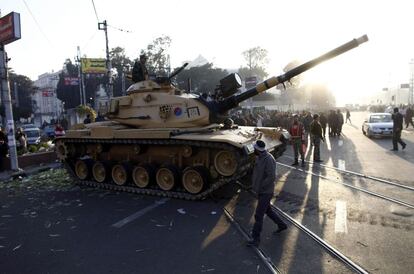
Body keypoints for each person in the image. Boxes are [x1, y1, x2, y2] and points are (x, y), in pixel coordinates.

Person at [247, 140, 287, 247]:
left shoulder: (268, 159)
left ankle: (256, 239)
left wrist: (260, 187)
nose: (253, 150)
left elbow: (271, 177)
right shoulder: (259, 157)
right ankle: (282, 225)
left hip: (266, 191)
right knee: (268, 210)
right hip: (261, 190)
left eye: (254, 149)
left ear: (257, 150)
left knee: (258, 215)